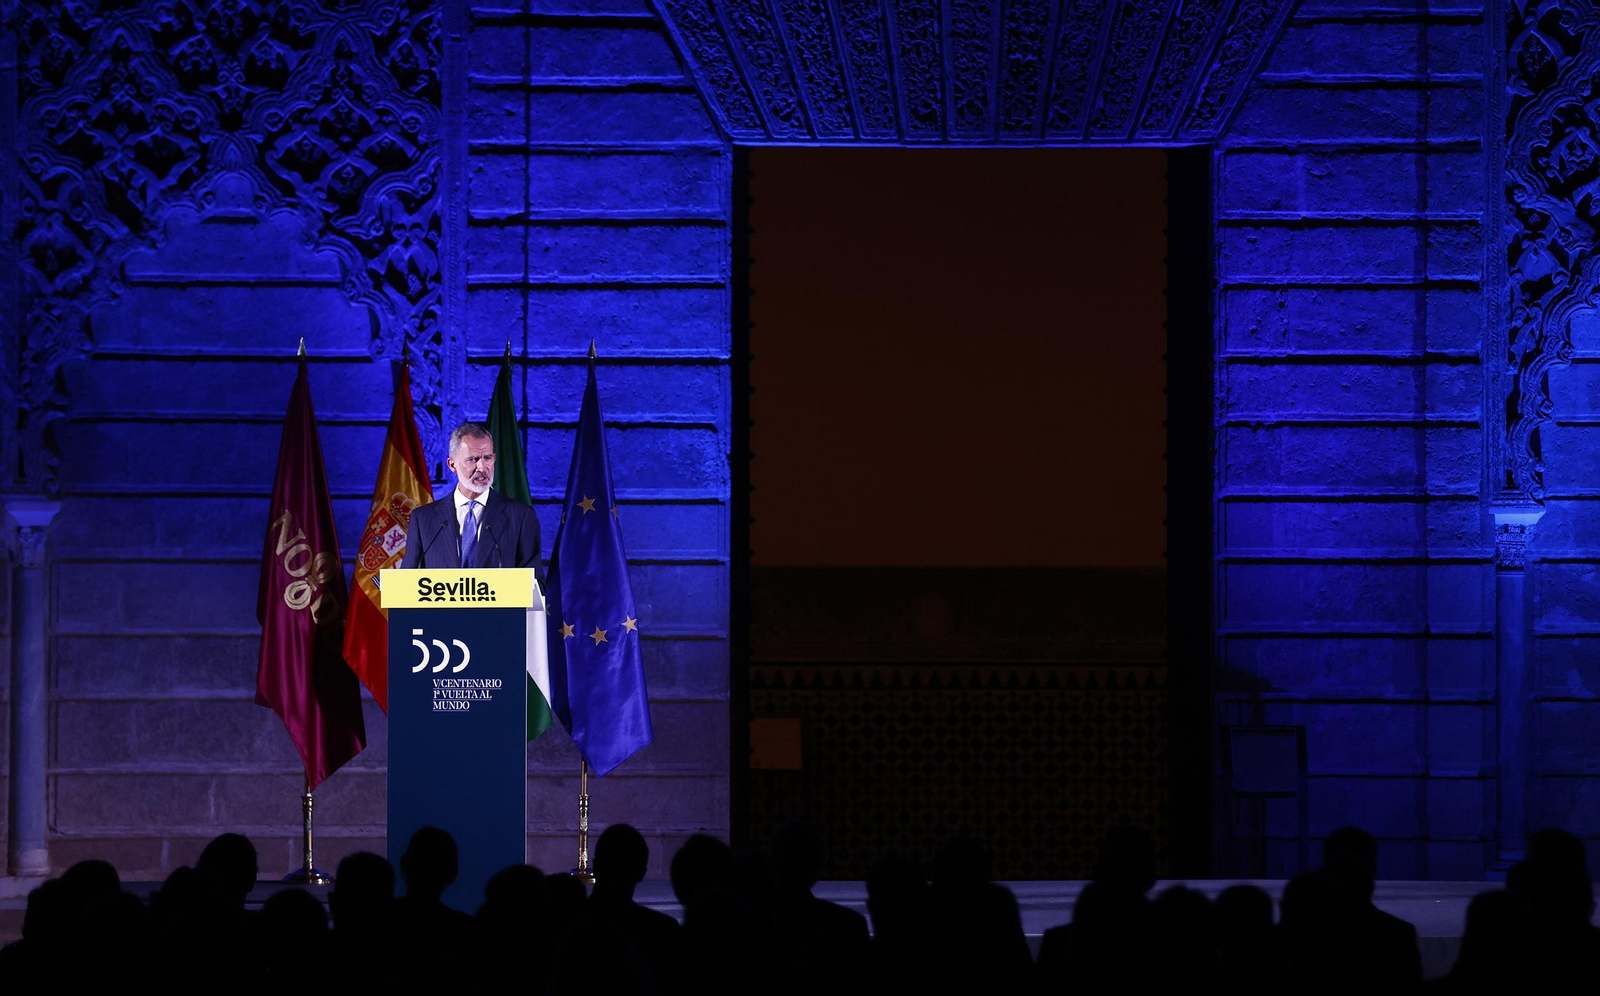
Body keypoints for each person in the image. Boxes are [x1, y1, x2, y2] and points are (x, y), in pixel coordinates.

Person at [401, 422, 540, 569]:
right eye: (472, 459)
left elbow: (534, 583)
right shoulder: (423, 519)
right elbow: (407, 583)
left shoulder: (521, 516)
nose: (482, 467)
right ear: (452, 465)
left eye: (487, 458)